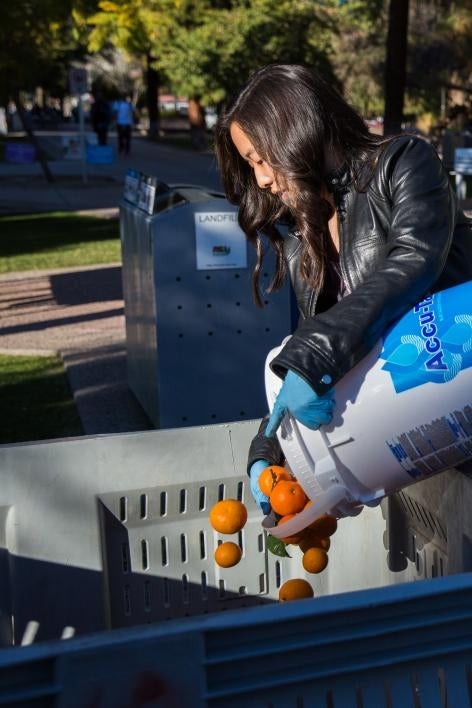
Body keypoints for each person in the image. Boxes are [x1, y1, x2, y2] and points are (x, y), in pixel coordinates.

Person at [214, 64, 472, 512]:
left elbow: (411, 264)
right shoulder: (301, 231)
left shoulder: (403, 163)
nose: (260, 179)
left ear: (294, 130)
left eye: (260, 158)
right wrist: (269, 449)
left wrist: (312, 357)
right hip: (416, 438)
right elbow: (326, 338)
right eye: (250, 164)